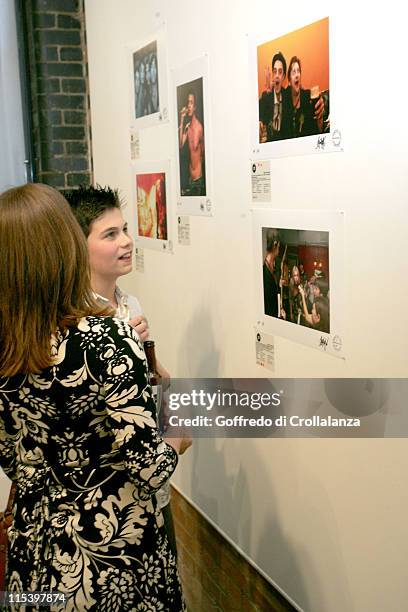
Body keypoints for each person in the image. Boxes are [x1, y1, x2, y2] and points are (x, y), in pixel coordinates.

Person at [0, 183, 188, 610]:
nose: (124, 242)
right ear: (65, 246)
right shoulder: (108, 337)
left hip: (35, 553)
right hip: (114, 557)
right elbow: (152, 468)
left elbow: (12, 459)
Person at [64, 184, 177, 554]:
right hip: (105, 496)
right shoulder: (73, 319)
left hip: (153, 481)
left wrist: (143, 353)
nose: (127, 242)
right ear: (79, 244)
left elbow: (157, 381)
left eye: (125, 229)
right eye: (110, 234)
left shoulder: (130, 302)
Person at [258, 51, 292, 142]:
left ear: (284, 76)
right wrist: (259, 124)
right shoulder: (266, 97)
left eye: (280, 72)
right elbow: (259, 116)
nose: (277, 75)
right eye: (275, 71)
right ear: (272, 75)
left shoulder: (288, 97)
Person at [287, 56, 324, 137]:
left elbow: (318, 132)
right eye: (293, 72)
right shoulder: (285, 100)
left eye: (298, 71)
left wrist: (320, 119)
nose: (297, 75)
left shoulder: (308, 97)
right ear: (289, 81)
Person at [178, 90, 205, 196]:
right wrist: (182, 119)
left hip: (198, 180)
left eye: (191, 103)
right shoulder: (187, 127)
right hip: (190, 179)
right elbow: (180, 144)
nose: (189, 105)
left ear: (195, 107)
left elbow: (203, 151)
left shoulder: (199, 128)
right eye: (188, 102)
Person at [263, 229, 280, 317]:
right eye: (279, 246)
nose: (279, 250)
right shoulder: (265, 273)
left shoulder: (272, 266)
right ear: (275, 244)